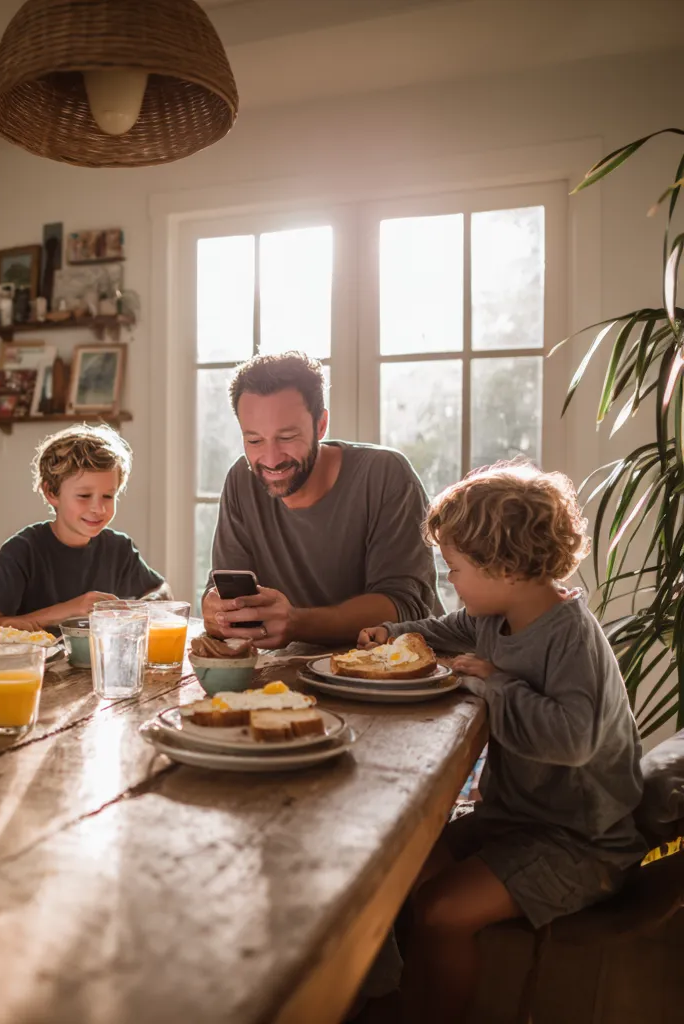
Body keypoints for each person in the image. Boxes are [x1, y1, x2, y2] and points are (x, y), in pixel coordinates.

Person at [356, 462, 647, 1024]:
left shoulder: (569, 638)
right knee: (397, 865)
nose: (451, 581)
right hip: (516, 818)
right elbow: (443, 630)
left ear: (505, 568)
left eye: (456, 568)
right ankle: (396, 993)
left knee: (440, 910)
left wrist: (492, 683)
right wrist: (392, 635)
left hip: (581, 841)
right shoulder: (494, 616)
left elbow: (573, 739)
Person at [202, 351, 440, 649]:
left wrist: (296, 623)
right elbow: (225, 589)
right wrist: (215, 611)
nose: (271, 459)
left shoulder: (385, 475)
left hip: (397, 668)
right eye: (254, 440)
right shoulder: (241, 480)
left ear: (320, 425)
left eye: (287, 437)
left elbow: (405, 604)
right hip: (293, 675)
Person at [0, 424, 169, 630]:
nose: (99, 508)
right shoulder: (21, 550)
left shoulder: (119, 548)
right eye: (84, 496)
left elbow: (163, 590)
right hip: (34, 661)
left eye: (108, 496)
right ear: (51, 493)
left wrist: (141, 608)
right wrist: (70, 609)